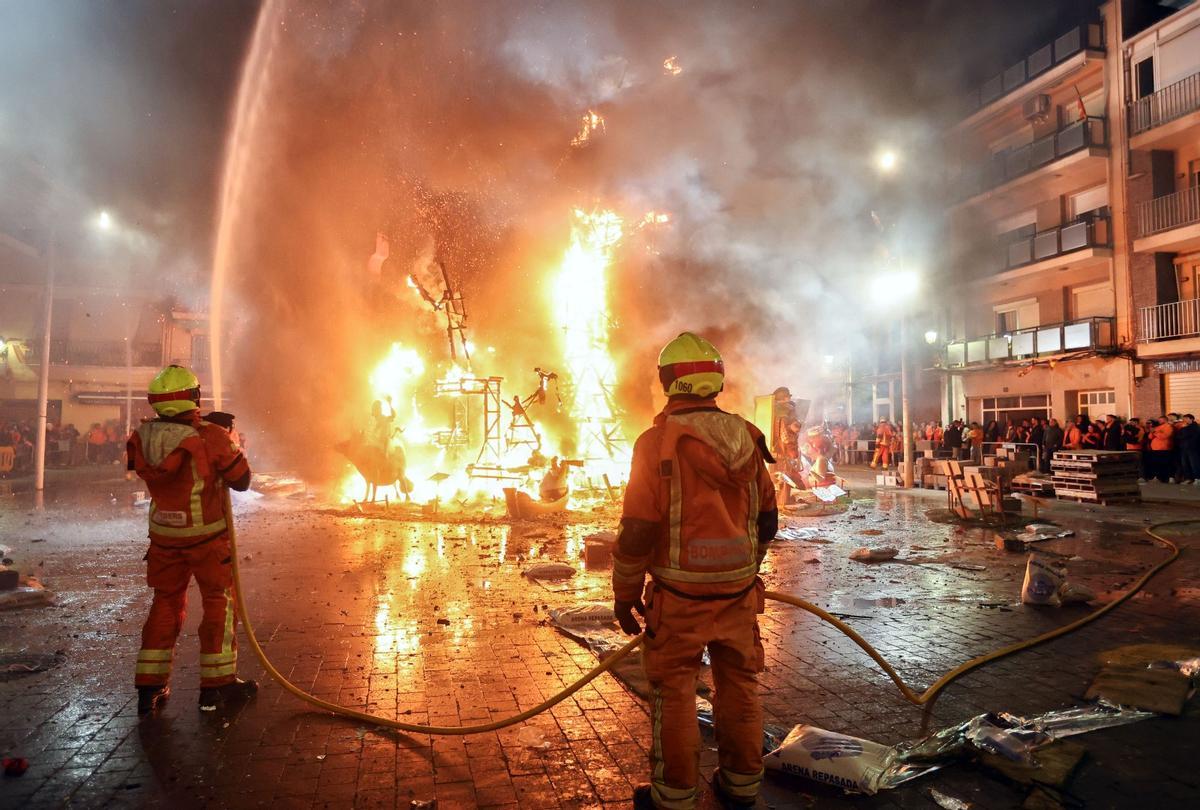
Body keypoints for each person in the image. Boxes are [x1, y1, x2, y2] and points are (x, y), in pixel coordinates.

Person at [613, 332, 777, 810]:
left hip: (679, 596)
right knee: (739, 684)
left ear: (668, 383)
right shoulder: (747, 437)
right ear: (715, 381)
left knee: (676, 690)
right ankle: (743, 786)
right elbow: (767, 519)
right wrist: (746, 568)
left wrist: (625, 592)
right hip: (737, 592)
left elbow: (637, 530)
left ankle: (676, 796)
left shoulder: (656, 443)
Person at [126, 365, 257, 715]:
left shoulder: (143, 436)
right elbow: (241, 480)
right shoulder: (209, 436)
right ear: (194, 397)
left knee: (165, 603)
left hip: (165, 539)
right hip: (206, 540)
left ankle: (149, 688)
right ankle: (217, 687)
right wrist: (226, 436)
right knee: (219, 602)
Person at [1176, 414, 1199, 485]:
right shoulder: (1184, 427)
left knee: (1194, 464)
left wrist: (1184, 430)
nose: (1184, 420)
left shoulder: (1195, 427)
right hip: (1184, 448)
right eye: (1184, 418)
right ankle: (1188, 478)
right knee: (1185, 464)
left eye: (1186, 418)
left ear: (1191, 419)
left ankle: (1197, 478)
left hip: (1193, 448)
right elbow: (1178, 436)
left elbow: (1187, 435)